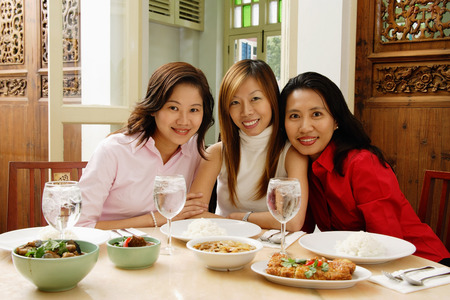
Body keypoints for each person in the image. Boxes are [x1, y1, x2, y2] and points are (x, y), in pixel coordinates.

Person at [280, 71, 450, 264]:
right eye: (294, 116)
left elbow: (387, 242)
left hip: (422, 266)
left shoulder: (362, 163)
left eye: (316, 114)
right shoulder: (304, 166)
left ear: (336, 120)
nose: (304, 127)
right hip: (362, 265)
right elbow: (302, 230)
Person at [76, 62, 213, 229]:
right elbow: (80, 226)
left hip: (167, 250)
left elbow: (192, 215)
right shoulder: (113, 150)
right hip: (111, 249)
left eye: (194, 110)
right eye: (173, 108)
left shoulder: (195, 149)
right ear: (153, 108)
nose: (184, 121)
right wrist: (155, 219)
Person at [189, 59, 309, 231]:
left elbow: (292, 221)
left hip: (270, 248)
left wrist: (239, 217)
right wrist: (243, 223)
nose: (246, 111)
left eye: (255, 98)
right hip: (223, 245)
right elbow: (193, 214)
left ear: (272, 99)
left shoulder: (291, 153)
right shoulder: (217, 153)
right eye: (235, 102)